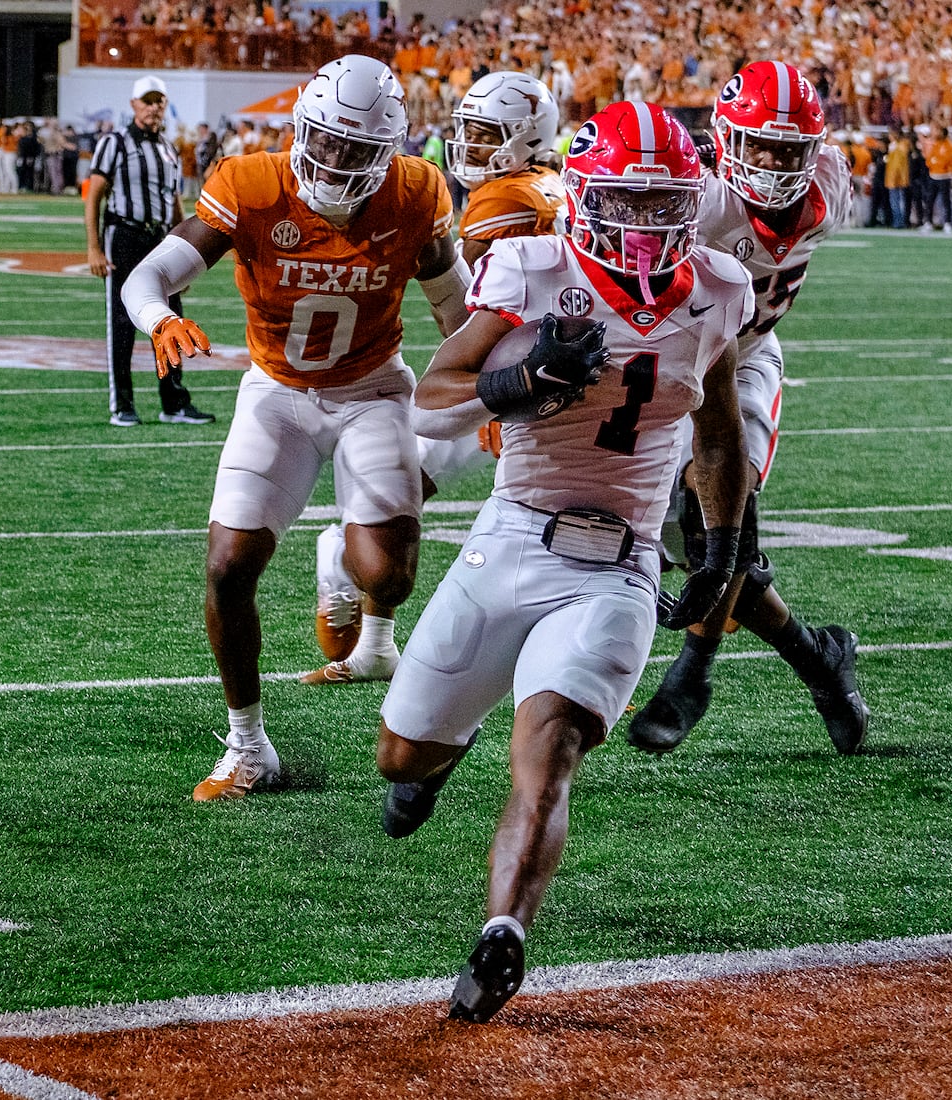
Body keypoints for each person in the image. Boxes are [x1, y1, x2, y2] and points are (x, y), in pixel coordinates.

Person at [376, 102, 752, 1023]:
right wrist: (518, 382)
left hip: (617, 562)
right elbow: (429, 402)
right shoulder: (529, 266)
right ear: (581, 195)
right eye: (627, 201)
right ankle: (436, 756)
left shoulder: (717, 290)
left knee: (548, 756)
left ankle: (503, 934)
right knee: (401, 757)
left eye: (666, 205)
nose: (646, 226)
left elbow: (718, 426)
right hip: (510, 536)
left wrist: (725, 546)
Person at [119, 55, 472, 800]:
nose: (338, 160)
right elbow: (145, 277)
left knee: (390, 576)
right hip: (276, 391)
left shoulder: (416, 191)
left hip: (373, 390)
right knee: (226, 566)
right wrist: (162, 320)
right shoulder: (250, 183)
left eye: (359, 149)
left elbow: (458, 314)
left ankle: (339, 563)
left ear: (392, 151)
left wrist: (486, 394)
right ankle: (247, 746)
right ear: (300, 129)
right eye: (328, 140)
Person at [628, 61, 868, 757]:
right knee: (695, 543)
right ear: (725, 140)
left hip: (749, 356)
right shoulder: (694, 196)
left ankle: (692, 675)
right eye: (758, 145)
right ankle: (819, 659)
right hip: (676, 362)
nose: (773, 162)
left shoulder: (829, 180)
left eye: (790, 149)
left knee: (720, 515)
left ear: (815, 152)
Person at [309, 69, 564, 668]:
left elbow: (458, 292)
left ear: (528, 135)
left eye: (486, 133)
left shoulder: (504, 197)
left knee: (400, 497)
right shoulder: (558, 185)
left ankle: (336, 564)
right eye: (469, 131)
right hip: (545, 377)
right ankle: (374, 645)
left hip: (497, 383)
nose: (471, 145)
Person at [85, 75, 214, 428]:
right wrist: (94, 246)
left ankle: (173, 401)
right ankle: (122, 404)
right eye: (147, 100)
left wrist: (184, 254)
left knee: (171, 318)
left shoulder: (168, 148)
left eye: (159, 101)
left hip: (160, 238)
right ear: (133, 105)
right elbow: (95, 193)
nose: (154, 107)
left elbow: (174, 202)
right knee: (123, 320)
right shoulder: (115, 142)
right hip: (124, 234)